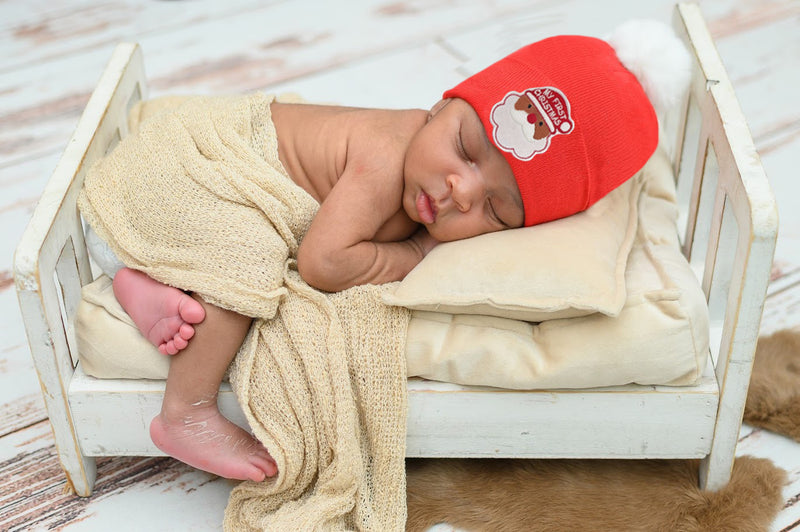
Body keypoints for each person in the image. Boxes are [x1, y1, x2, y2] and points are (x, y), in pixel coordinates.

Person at [93, 23, 687, 483]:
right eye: (463, 146)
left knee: (247, 238)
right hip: (189, 165)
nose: (460, 190)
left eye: (496, 209)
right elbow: (323, 265)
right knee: (248, 262)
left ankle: (144, 280)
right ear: (442, 106)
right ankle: (186, 411)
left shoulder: (433, 169)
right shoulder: (386, 152)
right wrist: (411, 254)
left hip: (177, 196)